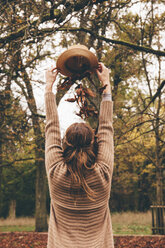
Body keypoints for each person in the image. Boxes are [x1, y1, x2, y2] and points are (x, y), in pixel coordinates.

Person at [45, 62, 114, 248]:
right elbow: (107, 127)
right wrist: (105, 83)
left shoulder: (55, 173)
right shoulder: (103, 174)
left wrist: (49, 87)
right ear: (94, 143)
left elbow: (51, 127)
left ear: (64, 144)